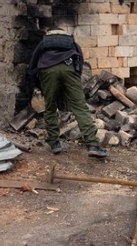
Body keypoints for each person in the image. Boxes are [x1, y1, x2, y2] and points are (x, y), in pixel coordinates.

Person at [28, 28, 108, 158]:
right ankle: (92, 145)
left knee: (50, 107)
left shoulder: (43, 43)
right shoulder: (71, 42)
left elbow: (32, 65)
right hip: (68, 68)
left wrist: (39, 84)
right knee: (80, 107)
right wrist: (75, 76)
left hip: (47, 71)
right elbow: (80, 60)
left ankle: (54, 143)